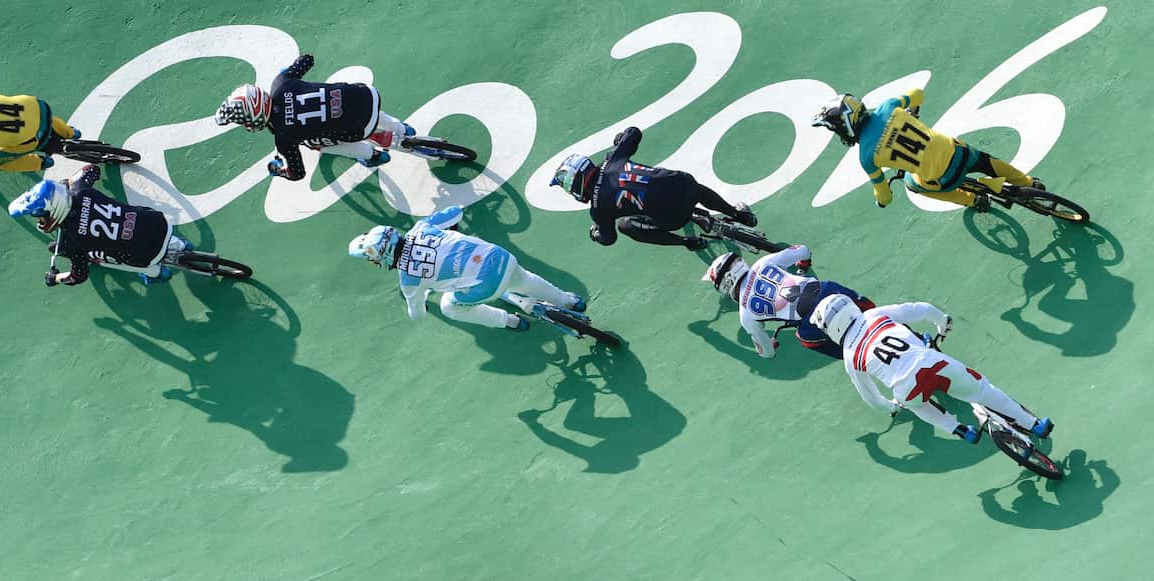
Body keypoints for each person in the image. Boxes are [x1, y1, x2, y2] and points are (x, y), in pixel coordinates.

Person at [811, 294, 1054, 443]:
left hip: (906, 389)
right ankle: (1035, 425)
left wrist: (891, 408)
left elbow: (870, 397)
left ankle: (959, 429)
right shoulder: (874, 314)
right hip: (932, 363)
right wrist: (942, 322)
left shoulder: (849, 357)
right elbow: (921, 309)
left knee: (917, 406)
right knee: (983, 390)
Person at [348, 205, 586, 331]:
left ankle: (509, 322)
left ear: (384, 257)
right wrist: (452, 231)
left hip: (485, 286)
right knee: (523, 278)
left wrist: (417, 304)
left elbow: (418, 315)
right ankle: (568, 300)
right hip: (500, 256)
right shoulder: (420, 228)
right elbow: (455, 211)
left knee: (449, 306)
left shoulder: (408, 280)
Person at [811, 90, 1043, 211]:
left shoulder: (867, 157)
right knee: (985, 160)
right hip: (959, 151)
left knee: (913, 184)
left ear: (846, 126)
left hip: (943, 177)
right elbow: (917, 94)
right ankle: (1029, 182)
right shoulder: (888, 106)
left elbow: (885, 196)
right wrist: (913, 111)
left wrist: (881, 201)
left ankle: (974, 200)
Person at [213, 53, 416, 181]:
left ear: (254, 115)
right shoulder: (281, 82)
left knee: (320, 143)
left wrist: (281, 172)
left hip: (359, 129)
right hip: (368, 95)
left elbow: (297, 173)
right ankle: (402, 129)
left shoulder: (283, 138)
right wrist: (287, 71)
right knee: (354, 103)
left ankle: (373, 156)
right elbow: (307, 59)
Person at [550, 126, 756, 251]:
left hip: (673, 219)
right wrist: (620, 139)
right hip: (685, 186)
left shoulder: (598, 209)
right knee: (694, 188)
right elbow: (634, 132)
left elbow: (609, 239)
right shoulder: (612, 158)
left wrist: (596, 234)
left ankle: (688, 242)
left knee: (625, 225)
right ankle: (739, 214)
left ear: (575, 187)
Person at [8, 164, 188, 287]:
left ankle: (155, 274)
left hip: (148, 254)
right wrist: (69, 182)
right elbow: (90, 170)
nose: (40, 220)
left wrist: (55, 278)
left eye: (41, 216)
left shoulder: (71, 243)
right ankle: (179, 243)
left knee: (117, 257)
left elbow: (78, 276)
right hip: (159, 223)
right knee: (136, 221)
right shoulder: (81, 189)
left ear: (53, 211)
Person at [703, 246, 874, 359]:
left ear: (726, 284)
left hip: (811, 320)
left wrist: (771, 344)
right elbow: (802, 250)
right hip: (826, 289)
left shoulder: (745, 314)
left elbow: (767, 353)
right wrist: (804, 262)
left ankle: (856, 355)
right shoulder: (762, 263)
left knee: (804, 338)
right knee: (873, 312)